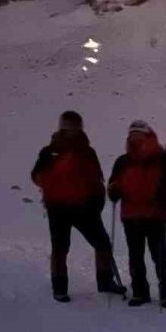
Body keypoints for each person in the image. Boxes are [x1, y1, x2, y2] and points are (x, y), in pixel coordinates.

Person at [30, 110, 123, 302]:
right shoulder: (51, 152)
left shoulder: (85, 152)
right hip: (60, 208)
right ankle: (61, 287)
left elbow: (96, 179)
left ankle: (103, 282)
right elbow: (36, 177)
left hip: (83, 208)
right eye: (69, 128)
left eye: (75, 127)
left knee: (101, 243)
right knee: (62, 247)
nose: (72, 131)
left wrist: (97, 201)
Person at [108, 121, 166, 308]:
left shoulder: (161, 159)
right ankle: (141, 291)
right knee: (137, 255)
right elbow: (114, 184)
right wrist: (113, 191)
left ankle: (163, 292)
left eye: (139, 135)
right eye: (133, 136)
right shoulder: (123, 161)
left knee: (158, 254)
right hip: (133, 215)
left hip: (153, 214)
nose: (136, 139)